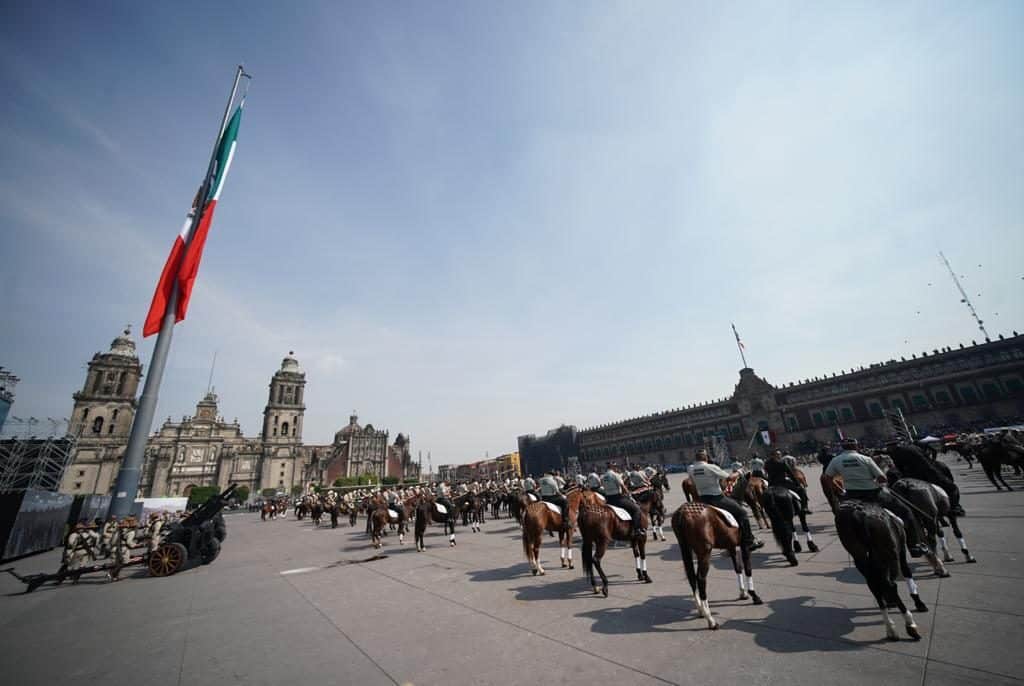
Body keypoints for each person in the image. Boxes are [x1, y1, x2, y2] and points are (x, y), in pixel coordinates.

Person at [826, 438, 927, 557]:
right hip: (873, 493)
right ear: (856, 446)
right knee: (906, 512)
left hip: (851, 495)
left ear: (843, 448)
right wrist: (876, 480)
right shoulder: (865, 459)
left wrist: (839, 489)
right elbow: (882, 478)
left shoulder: (836, 460)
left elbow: (827, 477)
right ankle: (914, 546)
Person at [688, 449, 763, 550]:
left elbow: (693, 483)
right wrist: (739, 472)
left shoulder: (691, 469)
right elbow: (730, 478)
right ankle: (749, 541)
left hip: (702, 499)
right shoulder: (711, 467)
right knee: (742, 513)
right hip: (716, 498)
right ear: (706, 458)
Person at [884, 439, 964, 516]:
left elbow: (899, 468)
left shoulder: (894, 453)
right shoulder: (914, 447)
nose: (889, 448)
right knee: (952, 488)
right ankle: (954, 507)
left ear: (891, 446)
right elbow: (927, 458)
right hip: (929, 473)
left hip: (912, 476)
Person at [601, 465, 643, 536]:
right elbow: (622, 486)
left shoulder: (603, 477)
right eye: (615, 467)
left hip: (608, 500)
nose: (617, 468)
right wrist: (629, 494)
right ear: (613, 468)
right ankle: (637, 530)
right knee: (636, 509)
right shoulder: (615, 475)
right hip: (617, 499)